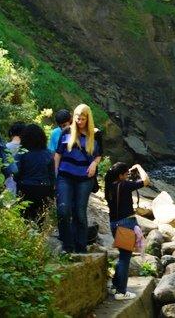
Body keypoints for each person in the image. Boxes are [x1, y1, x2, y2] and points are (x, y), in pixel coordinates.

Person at [54, 104, 102, 253]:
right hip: (65, 175)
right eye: (77, 118)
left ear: (88, 119)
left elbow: (99, 154)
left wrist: (94, 163)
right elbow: (58, 154)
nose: (80, 121)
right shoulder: (66, 132)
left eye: (83, 119)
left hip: (85, 178)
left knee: (79, 213)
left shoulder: (96, 134)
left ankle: (81, 248)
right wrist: (55, 176)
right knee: (63, 210)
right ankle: (67, 246)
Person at [104, 162, 151, 299]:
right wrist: (139, 166)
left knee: (122, 256)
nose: (127, 176)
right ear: (120, 175)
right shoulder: (124, 185)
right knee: (125, 258)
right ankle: (121, 292)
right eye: (126, 174)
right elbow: (146, 181)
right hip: (126, 223)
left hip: (114, 224)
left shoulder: (109, 187)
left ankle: (115, 286)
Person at [15, 123, 55, 223]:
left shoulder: (22, 152)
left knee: (24, 218)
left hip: (25, 187)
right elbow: (52, 175)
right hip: (44, 189)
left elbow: (16, 171)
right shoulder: (48, 153)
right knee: (39, 219)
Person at [4, 122, 24, 194]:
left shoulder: (5, 147)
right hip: (24, 184)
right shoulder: (27, 148)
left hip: (8, 184)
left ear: (11, 133)